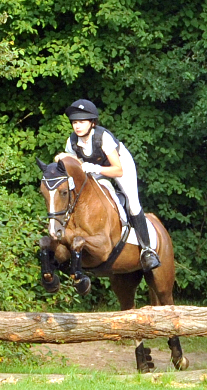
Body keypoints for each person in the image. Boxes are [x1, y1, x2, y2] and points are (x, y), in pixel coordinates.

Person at [55, 99, 160, 271]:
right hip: (93, 168)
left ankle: (147, 250)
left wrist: (95, 167)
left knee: (133, 203)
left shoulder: (103, 138)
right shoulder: (72, 141)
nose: (77, 126)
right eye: (75, 122)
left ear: (92, 123)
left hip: (119, 165)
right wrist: (63, 158)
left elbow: (117, 170)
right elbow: (74, 164)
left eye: (82, 122)